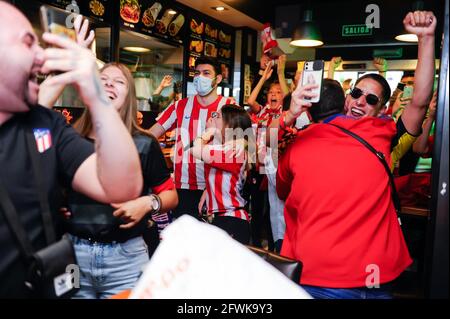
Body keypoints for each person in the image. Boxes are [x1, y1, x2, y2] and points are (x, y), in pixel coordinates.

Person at [276, 11, 436, 299]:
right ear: (346, 96)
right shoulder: (304, 136)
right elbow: (257, 146)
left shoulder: (385, 134)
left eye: (371, 99)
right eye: (357, 93)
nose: (361, 101)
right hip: (321, 277)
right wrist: (290, 113)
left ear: (381, 109)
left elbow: (420, 102)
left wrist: (425, 38)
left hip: (373, 277)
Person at [0, 3, 142, 298]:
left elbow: (121, 187)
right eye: (29, 43)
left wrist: (94, 92)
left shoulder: (44, 125)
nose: (41, 55)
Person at [65, 62, 178, 299]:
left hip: (126, 259)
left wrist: (148, 203)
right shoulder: (71, 138)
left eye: (119, 81)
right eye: (103, 79)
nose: (109, 84)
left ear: (129, 96)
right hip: (73, 257)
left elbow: (171, 196)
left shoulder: (145, 143)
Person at [148, 56, 233, 219]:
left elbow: (242, 151)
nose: (200, 77)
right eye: (197, 73)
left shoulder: (229, 107)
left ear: (219, 79)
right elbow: (151, 135)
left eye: (206, 73)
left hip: (216, 188)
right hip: (183, 187)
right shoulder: (180, 106)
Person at [191, 105, 254, 244]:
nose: (212, 119)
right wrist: (207, 190)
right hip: (223, 219)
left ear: (230, 124)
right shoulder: (230, 148)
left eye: (217, 117)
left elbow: (194, 149)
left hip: (232, 220)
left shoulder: (234, 151)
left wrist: (208, 132)